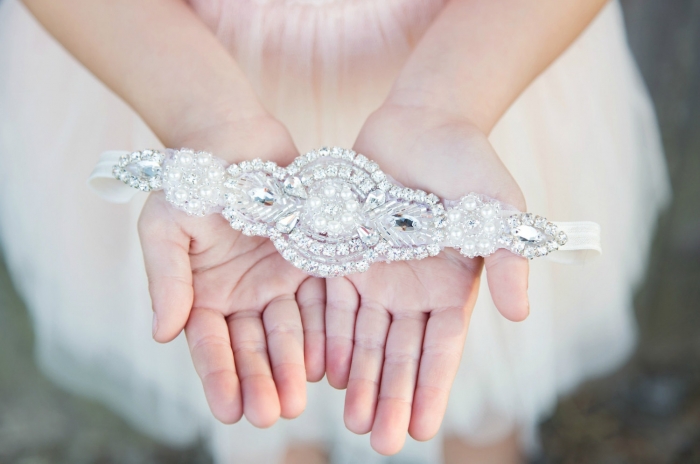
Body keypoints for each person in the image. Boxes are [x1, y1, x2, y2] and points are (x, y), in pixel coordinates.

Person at [0, 0, 670, 462]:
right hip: (156, 59)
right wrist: (200, 115)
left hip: (482, 54)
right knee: (251, 384)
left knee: (472, 380)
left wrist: (448, 103)